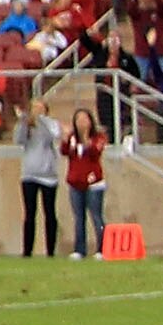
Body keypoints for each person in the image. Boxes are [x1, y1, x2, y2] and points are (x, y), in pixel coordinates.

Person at [16, 103, 65, 258]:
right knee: (30, 213)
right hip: (29, 174)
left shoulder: (51, 124)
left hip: (48, 175)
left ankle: (51, 251)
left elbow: (54, 135)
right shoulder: (27, 125)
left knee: (49, 212)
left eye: (40, 108)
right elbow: (19, 140)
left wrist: (41, 120)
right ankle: (27, 251)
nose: (36, 111)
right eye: (34, 108)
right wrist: (25, 123)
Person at [64, 107, 110, 258]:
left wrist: (85, 139)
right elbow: (65, 151)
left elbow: (95, 152)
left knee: (97, 216)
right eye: (78, 120)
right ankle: (79, 249)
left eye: (84, 119)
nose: (81, 123)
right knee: (79, 217)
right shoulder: (72, 138)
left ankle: (102, 249)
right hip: (75, 183)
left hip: (93, 183)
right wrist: (65, 139)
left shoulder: (99, 137)